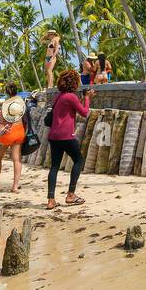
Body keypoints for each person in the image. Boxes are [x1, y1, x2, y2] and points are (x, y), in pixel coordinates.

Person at [46, 70, 90, 209]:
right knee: (78, 160)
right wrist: (88, 98)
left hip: (54, 136)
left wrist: (82, 99)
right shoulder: (71, 97)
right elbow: (84, 113)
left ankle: (51, 200)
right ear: (74, 82)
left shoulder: (59, 96)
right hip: (66, 136)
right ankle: (71, 194)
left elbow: (69, 108)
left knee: (54, 167)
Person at [0, 83, 27, 193]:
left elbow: (2, 121)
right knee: (17, 159)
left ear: (6, 92)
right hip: (20, 130)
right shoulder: (21, 103)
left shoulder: (5, 104)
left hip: (8, 131)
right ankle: (15, 186)